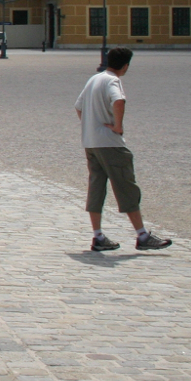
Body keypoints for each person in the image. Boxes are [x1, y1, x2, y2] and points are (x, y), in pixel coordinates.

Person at [76, 47, 173, 252]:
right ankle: (142, 235)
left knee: (96, 187)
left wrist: (89, 127)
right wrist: (118, 126)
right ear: (126, 65)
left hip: (91, 143)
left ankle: (98, 236)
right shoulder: (112, 80)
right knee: (126, 187)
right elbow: (118, 100)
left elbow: (79, 106)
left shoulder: (94, 79)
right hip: (110, 144)